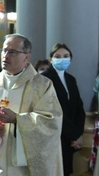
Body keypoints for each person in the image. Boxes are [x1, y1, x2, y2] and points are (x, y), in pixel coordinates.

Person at [0, 33, 63, 175]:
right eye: (4, 50)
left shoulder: (42, 85)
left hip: (21, 166)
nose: (5, 56)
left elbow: (52, 122)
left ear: (26, 57)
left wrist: (17, 119)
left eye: (12, 52)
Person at [41, 43, 86, 176]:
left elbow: (79, 108)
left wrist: (78, 134)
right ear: (51, 59)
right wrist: (74, 134)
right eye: (58, 56)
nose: (62, 59)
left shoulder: (71, 79)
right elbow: (52, 110)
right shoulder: (44, 78)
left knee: (65, 171)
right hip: (53, 135)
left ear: (70, 59)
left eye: (66, 56)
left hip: (69, 140)